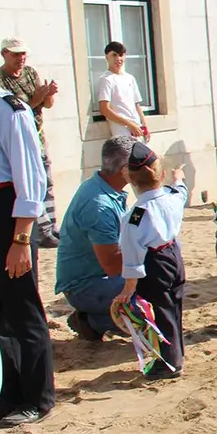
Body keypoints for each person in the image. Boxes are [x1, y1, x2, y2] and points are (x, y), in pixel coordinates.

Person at [0, 35, 52, 428]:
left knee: (22, 310)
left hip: (5, 213)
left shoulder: (9, 110)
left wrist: (21, 239)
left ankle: (37, 398)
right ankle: (7, 394)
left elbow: (29, 178)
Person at [114, 144, 188, 380]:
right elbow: (181, 192)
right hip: (174, 255)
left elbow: (132, 251)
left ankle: (169, 362)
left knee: (161, 311)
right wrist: (179, 179)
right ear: (161, 175)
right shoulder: (171, 197)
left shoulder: (136, 214)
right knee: (174, 306)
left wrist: (128, 287)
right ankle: (177, 354)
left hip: (154, 261)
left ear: (132, 182)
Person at [55, 137, 135, 342]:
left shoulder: (103, 187)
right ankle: (92, 321)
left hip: (96, 276)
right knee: (150, 297)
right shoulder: (99, 205)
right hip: (87, 285)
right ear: (125, 169)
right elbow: (112, 265)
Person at [0, 37, 60, 246]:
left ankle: (51, 225)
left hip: (38, 134)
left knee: (46, 181)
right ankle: (41, 230)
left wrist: (48, 95)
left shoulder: (30, 72)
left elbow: (46, 105)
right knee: (30, 182)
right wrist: (36, 99)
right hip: (19, 136)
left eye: (23, 53)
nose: (20, 58)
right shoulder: (1, 79)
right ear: (4, 53)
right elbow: (19, 110)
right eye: (15, 54)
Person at [96, 41, 151, 141]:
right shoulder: (106, 79)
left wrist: (145, 126)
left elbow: (136, 105)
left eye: (121, 55)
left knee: (149, 156)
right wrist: (129, 124)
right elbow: (104, 110)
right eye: (114, 55)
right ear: (107, 57)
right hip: (122, 133)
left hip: (137, 130)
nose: (118, 59)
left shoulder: (130, 78)